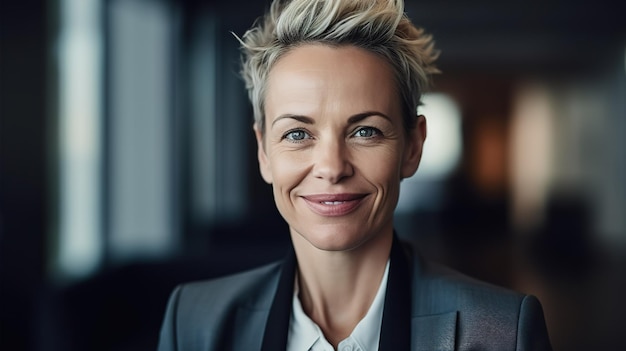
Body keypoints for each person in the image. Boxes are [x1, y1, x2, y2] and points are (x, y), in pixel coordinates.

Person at [157, 0, 553, 350]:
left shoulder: (502, 333)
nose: (331, 167)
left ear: (412, 147)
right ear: (264, 152)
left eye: (365, 131)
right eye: (297, 134)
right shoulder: (193, 322)